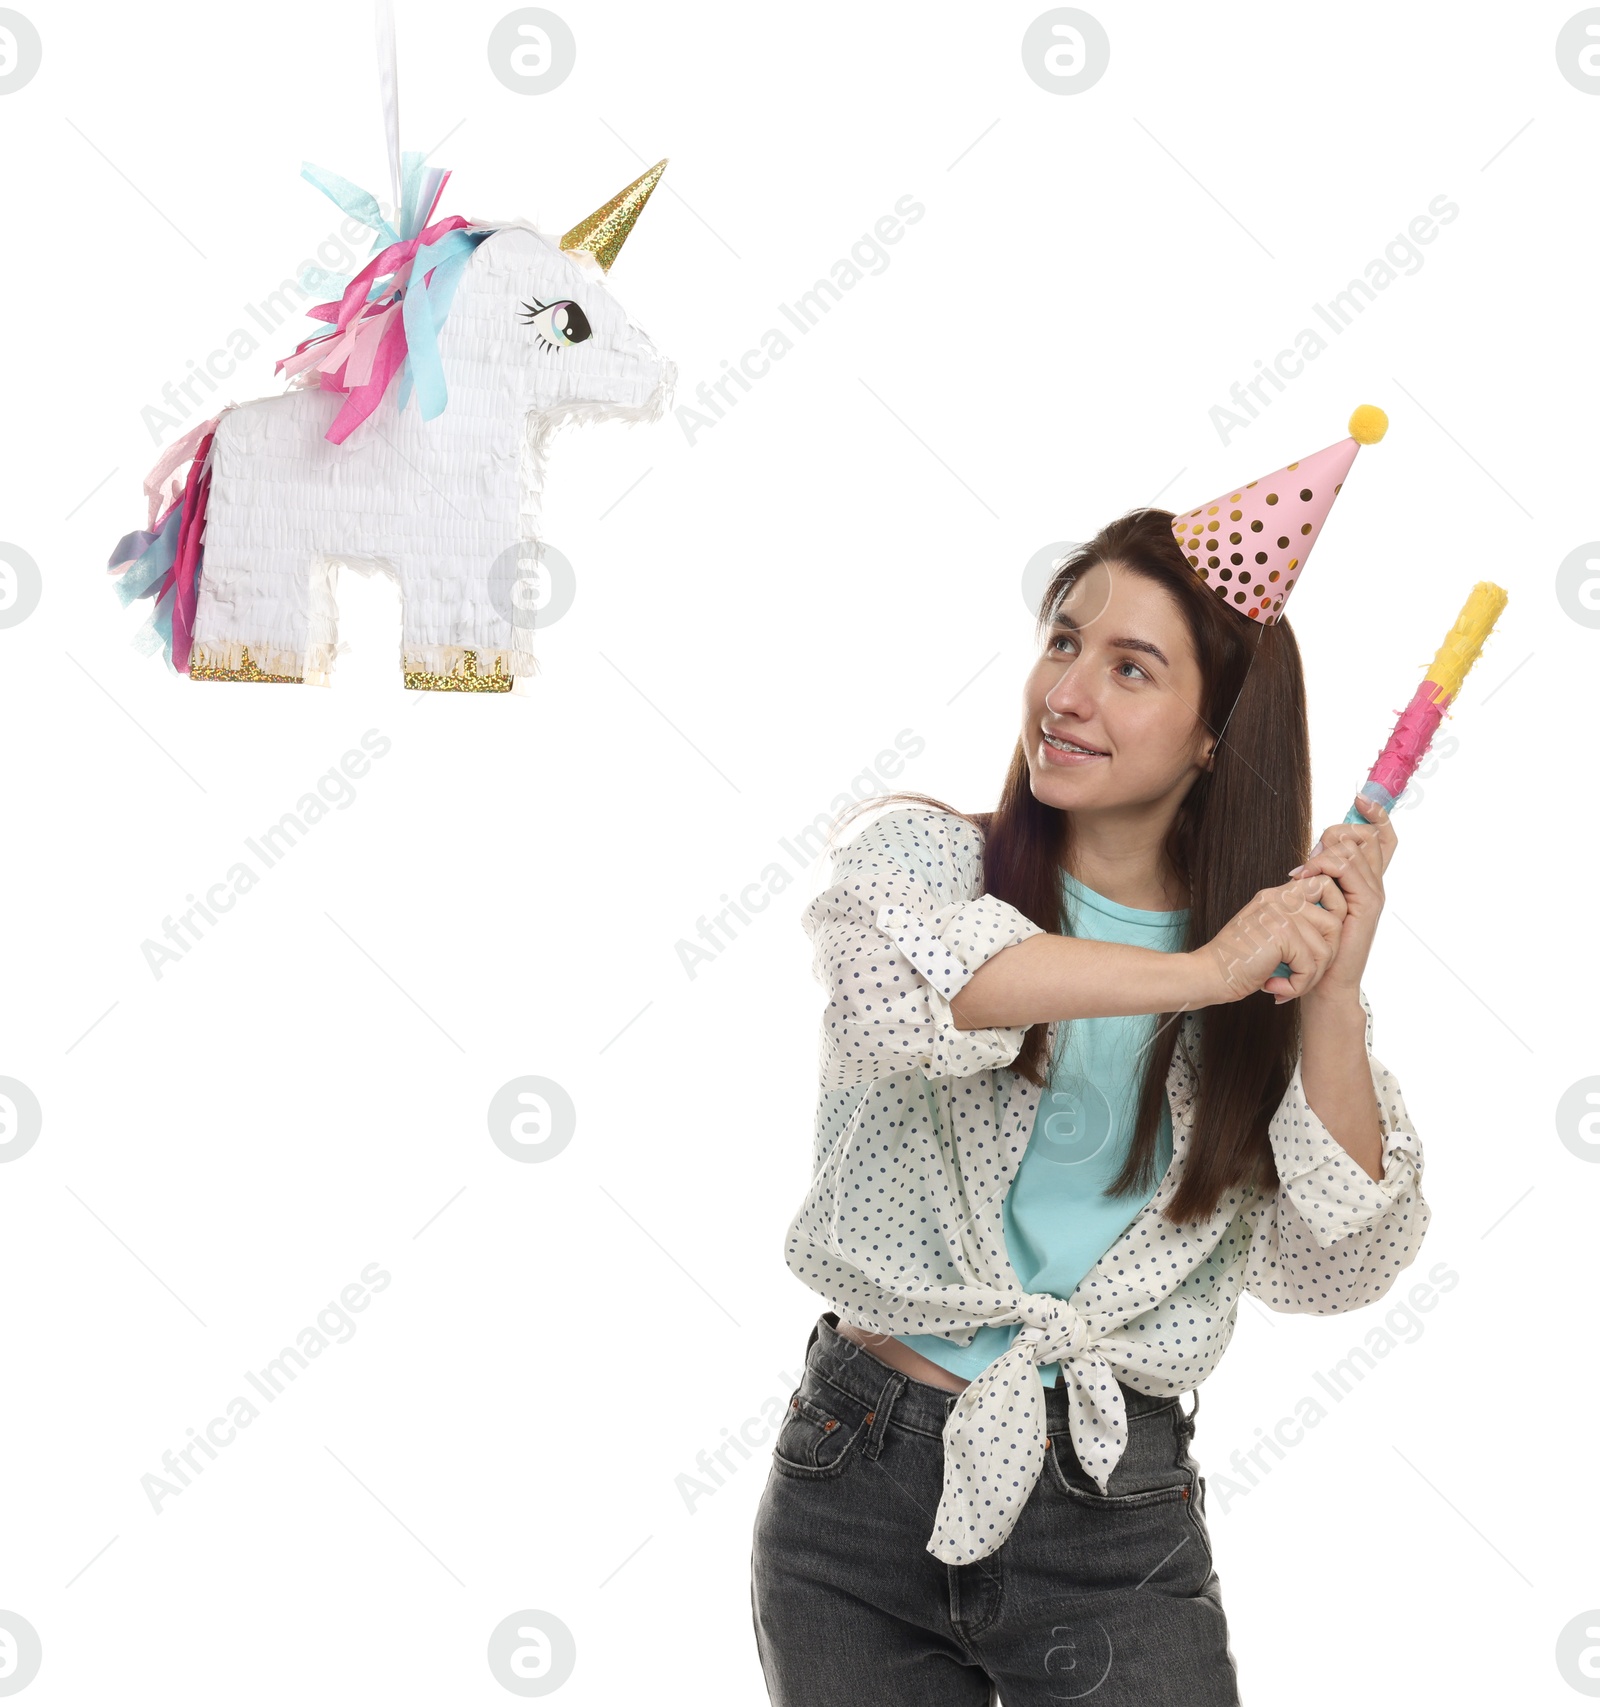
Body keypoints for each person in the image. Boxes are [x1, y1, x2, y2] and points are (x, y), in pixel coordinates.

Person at [750, 416, 1431, 1705]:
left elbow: (1340, 1259)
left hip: (1112, 1503)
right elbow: (937, 999)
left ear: (1216, 732)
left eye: (1131, 668)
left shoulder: (1270, 971)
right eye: (1064, 640)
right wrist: (1207, 974)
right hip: (856, 1485)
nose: (1066, 694)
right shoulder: (922, 862)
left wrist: (1329, 997)